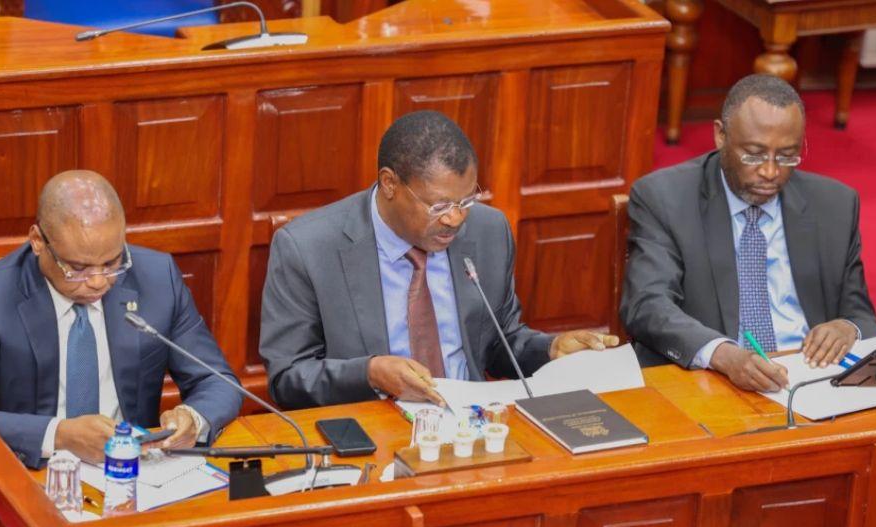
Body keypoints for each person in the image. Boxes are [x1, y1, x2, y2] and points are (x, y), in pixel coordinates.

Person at [260, 110, 618, 410]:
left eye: (466, 201)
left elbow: (499, 342)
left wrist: (549, 349)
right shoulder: (307, 248)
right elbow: (287, 378)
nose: (455, 219)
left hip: (472, 424)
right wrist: (370, 373)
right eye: (440, 206)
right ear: (389, 184)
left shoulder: (488, 231)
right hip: (371, 426)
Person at [0, 170, 243, 467]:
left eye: (112, 262)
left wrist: (193, 416)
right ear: (38, 241)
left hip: (134, 472)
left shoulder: (157, 279)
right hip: (31, 473)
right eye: (78, 267)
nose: (99, 281)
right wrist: (59, 435)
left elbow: (217, 381)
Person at [621, 74, 876, 392]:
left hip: (810, 380)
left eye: (787, 156)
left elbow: (862, 315)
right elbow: (648, 305)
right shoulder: (665, 198)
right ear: (720, 135)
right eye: (754, 154)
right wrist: (722, 354)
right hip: (711, 382)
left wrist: (848, 328)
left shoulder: (834, 205)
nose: (770, 171)